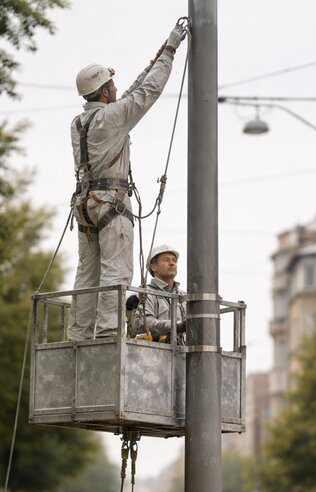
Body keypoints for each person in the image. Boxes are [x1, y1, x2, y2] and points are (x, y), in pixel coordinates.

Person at [68, 21, 189, 341]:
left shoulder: (80, 122)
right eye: (112, 85)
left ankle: (80, 335)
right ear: (105, 90)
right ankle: (108, 334)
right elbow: (147, 93)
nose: (116, 89)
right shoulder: (111, 118)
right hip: (111, 203)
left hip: (86, 204)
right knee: (115, 274)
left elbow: (132, 93)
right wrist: (171, 53)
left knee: (87, 275)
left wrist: (157, 58)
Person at [131, 244, 186, 341]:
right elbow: (143, 323)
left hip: (182, 352)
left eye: (174, 260)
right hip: (154, 351)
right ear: (153, 267)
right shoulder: (145, 293)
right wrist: (176, 326)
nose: (172, 263)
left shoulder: (183, 296)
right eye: (166, 260)